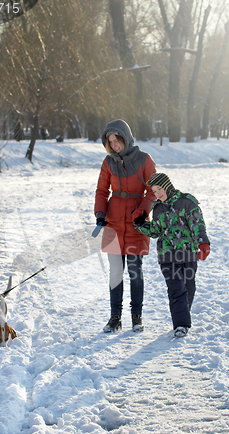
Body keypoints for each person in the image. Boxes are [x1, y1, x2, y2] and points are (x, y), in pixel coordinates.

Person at [94, 119, 156, 333]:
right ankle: (115, 317)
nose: (114, 145)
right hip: (113, 222)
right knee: (115, 272)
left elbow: (153, 190)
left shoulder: (144, 160)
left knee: (135, 271)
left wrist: (144, 211)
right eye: (110, 142)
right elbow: (102, 191)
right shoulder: (108, 162)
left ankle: (136, 316)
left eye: (117, 140)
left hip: (136, 222)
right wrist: (100, 214)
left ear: (126, 138)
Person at [134, 172, 210, 337]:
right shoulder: (158, 208)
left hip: (188, 253)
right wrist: (140, 224)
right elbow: (156, 231)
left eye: (160, 189)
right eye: (154, 191)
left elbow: (197, 223)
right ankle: (181, 324)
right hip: (167, 256)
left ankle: (182, 314)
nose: (158, 193)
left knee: (189, 286)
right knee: (176, 288)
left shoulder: (187, 202)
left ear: (167, 185)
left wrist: (203, 242)